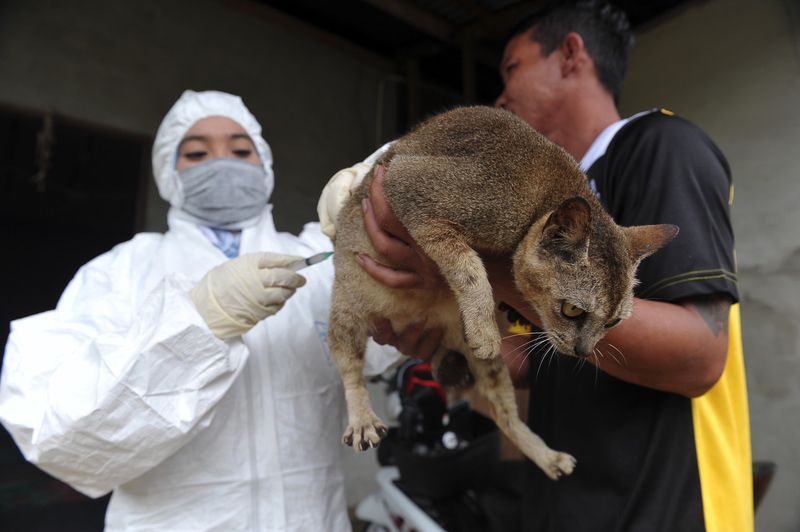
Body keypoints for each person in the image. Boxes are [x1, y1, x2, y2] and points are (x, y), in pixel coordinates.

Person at [318, 1, 752, 531]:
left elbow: (701, 358)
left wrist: (468, 264)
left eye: (512, 69)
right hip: (565, 503)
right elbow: (551, 362)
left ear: (571, 55)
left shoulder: (661, 145)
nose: (500, 95)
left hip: (667, 505)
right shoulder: (533, 202)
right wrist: (442, 333)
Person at [0, 90, 396, 531]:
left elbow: (394, 327)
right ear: (168, 172)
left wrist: (377, 185)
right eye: (197, 152)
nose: (222, 161)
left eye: (241, 149)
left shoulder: (317, 263)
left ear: (264, 163)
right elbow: (60, 436)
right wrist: (200, 322)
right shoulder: (123, 272)